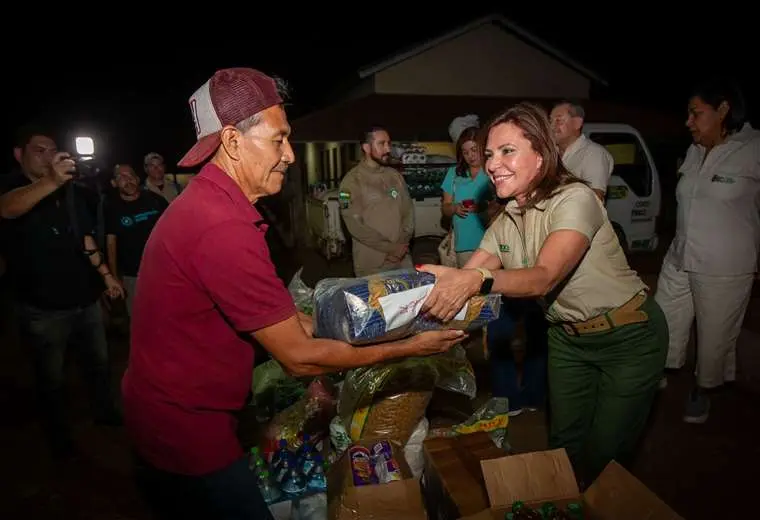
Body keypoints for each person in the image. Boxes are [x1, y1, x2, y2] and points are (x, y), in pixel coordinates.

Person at [121, 67, 465, 520]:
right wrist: (406, 348)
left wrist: (377, 327)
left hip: (190, 412)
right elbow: (299, 356)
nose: (290, 156)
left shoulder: (216, 205)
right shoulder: (221, 227)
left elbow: (292, 321)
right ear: (232, 141)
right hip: (184, 428)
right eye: (278, 140)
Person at [417, 102, 668, 484]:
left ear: (540, 155)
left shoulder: (575, 199)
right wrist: (414, 321)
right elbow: (463, 278)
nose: (492, 164)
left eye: (507, 151)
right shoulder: (507, 220)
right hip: (567, 340)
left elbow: (543, 278)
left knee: (605, 455)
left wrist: (477, 280)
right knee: (564, 445)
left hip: (628, 337)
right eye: (488, 154)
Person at [0, 126, 124, 459]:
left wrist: (107, 276)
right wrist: (50, 182)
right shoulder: (12, 186)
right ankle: (58, 437)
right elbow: (6, 209)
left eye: (51, 149)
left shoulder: (67, 190)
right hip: (43, 310)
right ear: (19, 154)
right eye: (38, 149)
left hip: (84, 301)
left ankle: (105, 412)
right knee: (50, 378)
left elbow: (86, 239)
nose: (47, 155)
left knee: (99, 364)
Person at [654, 78, 760, 423]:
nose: (689, 122)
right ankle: (659, 373)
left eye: (696, 114)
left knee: (714, 336)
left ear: (724, 110)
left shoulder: (754, 149)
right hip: (680, 256)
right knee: (664, 320)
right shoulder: (695, 151)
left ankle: (704, 389)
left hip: (725, 264)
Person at [339, 126, 415, 276]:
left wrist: (401, 245)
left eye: (389, 143)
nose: (388, 149)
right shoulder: (350, 182)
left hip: (402, 258)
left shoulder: (395, 176)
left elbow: (408, 212)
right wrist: (390, 248)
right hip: (373, 263)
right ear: (366, 147)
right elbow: (355, 226)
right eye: (381, 144)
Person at [549, 100, 614, 202]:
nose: (551, 126)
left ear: (577, 123)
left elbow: (595, 199)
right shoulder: (550, 153)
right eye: (550, 121)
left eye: (558, 121)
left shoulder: (593, 154)